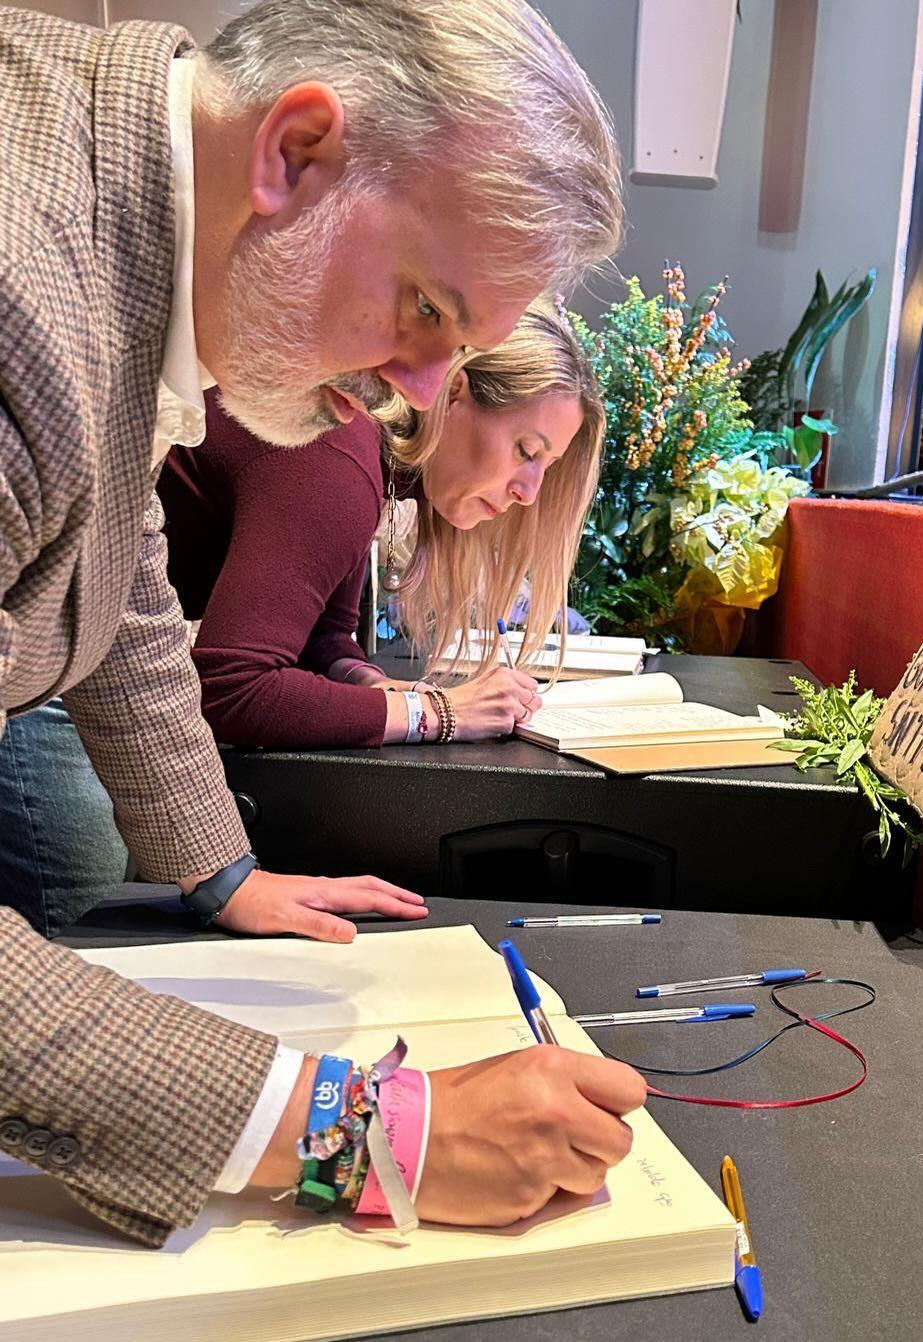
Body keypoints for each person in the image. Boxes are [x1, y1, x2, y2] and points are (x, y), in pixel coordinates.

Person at [0, 0, 644, 1249]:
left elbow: (122, 584)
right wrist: (369, 1130)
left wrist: (217, 867)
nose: (417, 391)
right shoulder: (23, 288)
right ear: (293, 152)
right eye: (424, 313)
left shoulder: (121, 242)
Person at [160, 303, 603, 750]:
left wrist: (382, 687)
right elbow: (232, 690)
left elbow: (322, 641)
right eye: (527, 451)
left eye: (548, 466)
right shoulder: (337, 460)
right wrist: (442, 713)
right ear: (453, 396)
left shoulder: (371, 458)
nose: (529, 493)